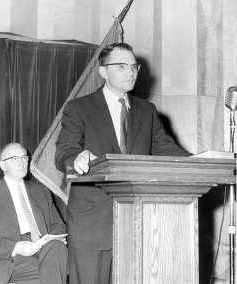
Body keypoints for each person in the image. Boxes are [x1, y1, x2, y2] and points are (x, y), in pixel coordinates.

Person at [55, 42, 192, 284]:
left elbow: (166, 149)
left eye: (134, 66)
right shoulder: (79, 108)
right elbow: (65, 150)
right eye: (121, 66)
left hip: (138, 219)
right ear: (103, 71)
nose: (131, 72)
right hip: (92, 220)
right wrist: (76, 157)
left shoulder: (147, 110)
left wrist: (197, 163)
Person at [0, 142, 68, 284]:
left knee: (57, 248)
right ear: (2, 165)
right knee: (52, 272)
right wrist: (16, 246)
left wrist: (53, 238)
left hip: (43, 245)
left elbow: (57, 224)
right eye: (15, 158)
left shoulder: (41, 191)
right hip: (11, 256)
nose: (21, 162)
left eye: (25, 158)